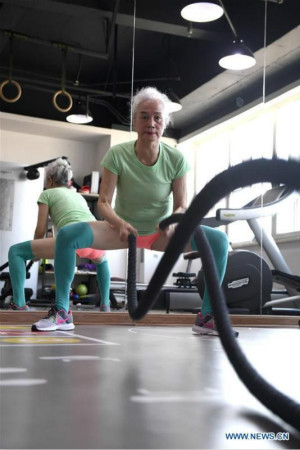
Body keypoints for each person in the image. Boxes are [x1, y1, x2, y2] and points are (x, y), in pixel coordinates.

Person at [32, 87, 234, 336]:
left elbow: (182, 204)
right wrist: (118, 223)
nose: (151, 123)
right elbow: (104, 202)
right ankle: (62, 312)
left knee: (219, 241)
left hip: (162, 233)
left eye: (157, 117)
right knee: (67, 235)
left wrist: (171, 223)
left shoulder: (176, 159)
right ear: (135, 121)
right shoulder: (117, 154)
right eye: (144, 116)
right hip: (120, 231)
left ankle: (206, 317)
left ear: (165, 122)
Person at [8, 158, 111, 328]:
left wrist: (35, 254)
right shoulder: (78, 196)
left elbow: (40, 230)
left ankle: (19, 304)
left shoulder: (47, 193)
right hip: (95, 239)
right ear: (68, 180)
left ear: (49, 180)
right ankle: (105, 305)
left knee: (16, 252)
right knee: (103, 260)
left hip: (71, 241)